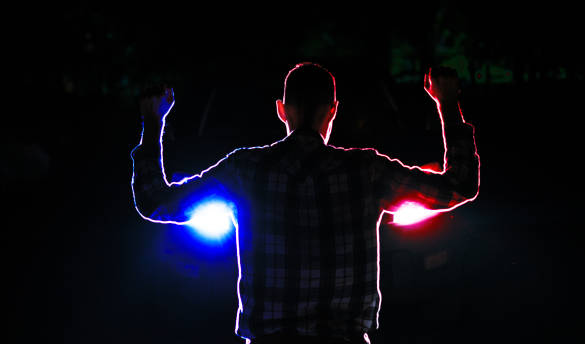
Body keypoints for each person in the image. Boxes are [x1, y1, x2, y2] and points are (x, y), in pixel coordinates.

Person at [131, 62, 479, 344]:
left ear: (282, 110)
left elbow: (155, 201)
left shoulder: (245, 170)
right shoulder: (366, 171)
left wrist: (153, 121)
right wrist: (447, 103)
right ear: (333, 111)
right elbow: (458, 185)